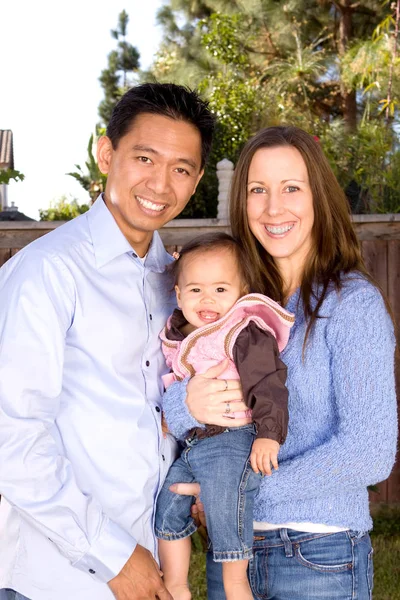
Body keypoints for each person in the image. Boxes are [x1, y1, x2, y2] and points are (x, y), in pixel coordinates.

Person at [0, 82, 231, 600]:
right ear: (107, 154)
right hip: (56, 578)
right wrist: (114, 555)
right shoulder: (46, 273)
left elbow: (159, 410)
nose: (160, 183)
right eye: (144, 157)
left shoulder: (176, 283)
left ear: (195, 182)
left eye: (181, 168)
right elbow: (11, 437)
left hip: (151, 564)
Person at [162, 125, 398, 600]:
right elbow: (175, 399)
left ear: (319, 198)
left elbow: (371, 450)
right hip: (233, 554)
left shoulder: (351, 304)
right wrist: (184, 405)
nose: (274, 208)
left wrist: (234, 498)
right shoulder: (226, 301)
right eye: (258, 190)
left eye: (292, 187)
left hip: (320, 554)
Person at [155, 232, 294, 600]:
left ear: (241, 292)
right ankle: (175, 584)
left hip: (233, 439)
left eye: (220, 289)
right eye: (196, 290)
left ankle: (236, 584)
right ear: (179, 294)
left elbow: (268, 384)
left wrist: (269, 434)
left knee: (225, 513)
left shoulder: (242, 332)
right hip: (196, 443)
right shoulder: (178, 334)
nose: (208, 300)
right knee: (169, 503)